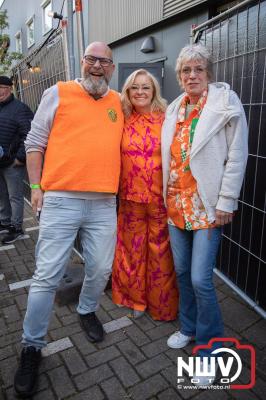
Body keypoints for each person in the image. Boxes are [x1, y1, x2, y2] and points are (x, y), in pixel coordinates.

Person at [14, 42, 124, 398]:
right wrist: (35, 186)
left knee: (101, 267)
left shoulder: (118, 101)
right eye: (91, 59)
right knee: (46, 275)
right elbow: (35, 142)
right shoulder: (57, 92)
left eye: (103, 61)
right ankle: (31, 347)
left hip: (104, 202)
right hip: (61, 199)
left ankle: (87, 309)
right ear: (82, 61)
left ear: (111, 67)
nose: (97, 66)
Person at [161, 44, 248, 386]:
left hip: (207, 207)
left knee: (200, 278)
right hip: (175, 205)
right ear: (179, 76)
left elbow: (237, 156)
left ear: (208, 73)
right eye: (186, 71)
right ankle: (189, 326)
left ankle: (211, 351)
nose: (192, 76)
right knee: (182, 272)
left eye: (198, 69)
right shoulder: (174, 108)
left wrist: (228, 200)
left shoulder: (225, 104)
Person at [112, 69, 178, 321]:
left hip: (160, 198)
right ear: (128, 92)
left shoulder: (167, 117)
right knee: (132, 251)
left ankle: (162, 306)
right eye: (135, 87)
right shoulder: (121, 118)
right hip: (129, 198)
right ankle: (135, 300)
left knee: (161, 251)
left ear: (154, 91)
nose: (140, 92)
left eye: (145, 87)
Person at [0, 76, 33, 244]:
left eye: (2, 87)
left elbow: (28, 134)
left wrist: (20, 158)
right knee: (2, 195)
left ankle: (17, 227)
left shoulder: (20, 109)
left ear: (10, 89)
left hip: (13, 163)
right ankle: (5, 222)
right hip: (0, 162)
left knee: (15, 196)